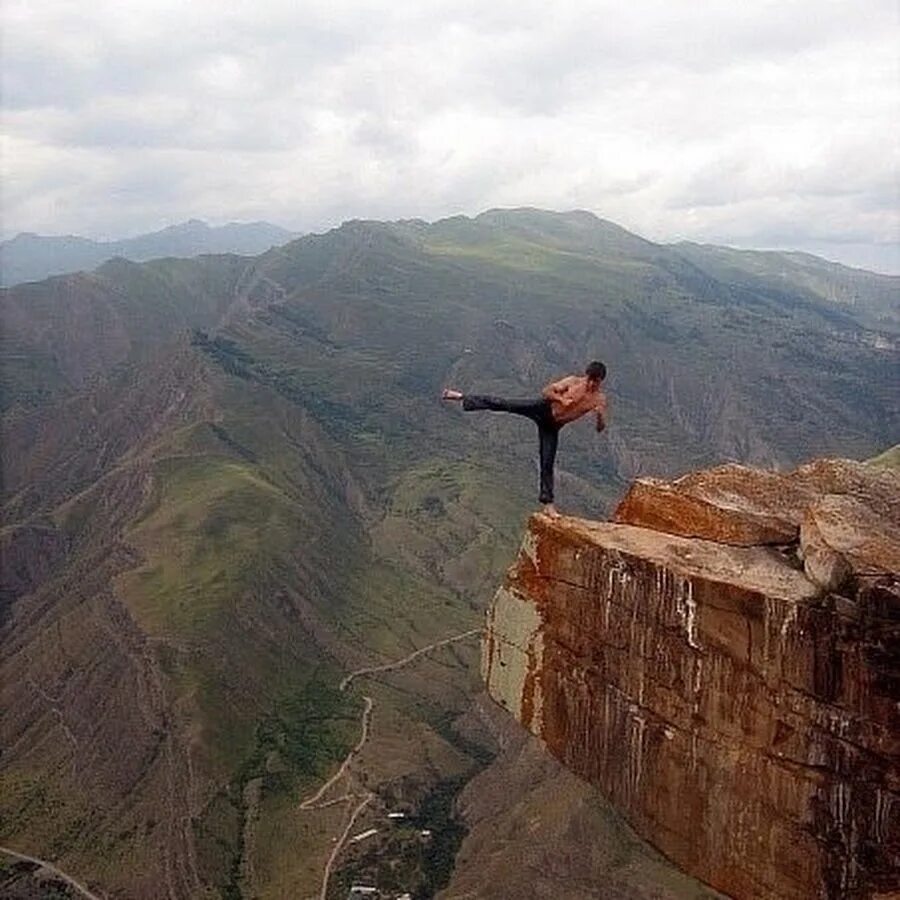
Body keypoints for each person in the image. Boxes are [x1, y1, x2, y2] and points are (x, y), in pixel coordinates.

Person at [441, 361, 608, 518]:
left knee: (547, 461)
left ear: (601, 381)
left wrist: (599, 416)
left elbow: (600, 429)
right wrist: (561, 399)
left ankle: (548, 504)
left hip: (553, 426)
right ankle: (461, 397)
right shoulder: (572, 382)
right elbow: (547, 391)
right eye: (589, 379)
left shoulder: (599, 400)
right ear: (585, 376)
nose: (591, 384)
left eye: (596, 381)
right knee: (504, 404)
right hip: (542, 408)